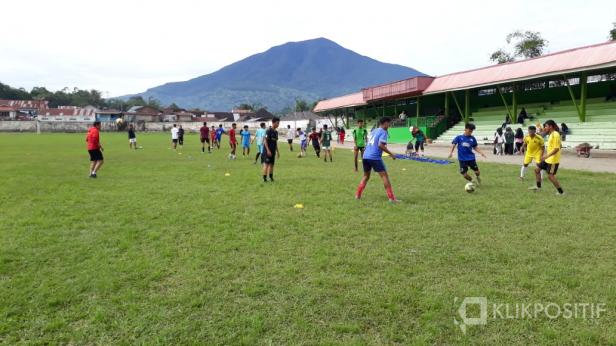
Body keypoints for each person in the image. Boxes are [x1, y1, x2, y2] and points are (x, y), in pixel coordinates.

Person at [354, 116, 398, 202]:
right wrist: (391, 154)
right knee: (384, 176)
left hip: (365, 156)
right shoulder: (384, 132)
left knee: (366, 176)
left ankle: (357, 195)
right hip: (374, 157)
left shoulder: (374, 130)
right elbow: (380, 145)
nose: (389, 125)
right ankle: (391, 198)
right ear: (385, 123)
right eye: (389, 123)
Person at [530, 120, 564, 195]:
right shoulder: (551, 134)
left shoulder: (555, 134)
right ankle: (538, 187)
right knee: (537, 170)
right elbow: (559, 145)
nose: (545, 128)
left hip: (553, 160)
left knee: (550, 176)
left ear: (551, 126)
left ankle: (561, 192)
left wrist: (546, 156)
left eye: (546, 126)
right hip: (548, 159)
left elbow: (556, 148)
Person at [262, 117, 280, 182]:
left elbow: (275, 143)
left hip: (273, 151)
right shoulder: (268, 131)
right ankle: (264, 178)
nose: (278, 124)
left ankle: (271, 177)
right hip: (267, 151)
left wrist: (278, 152)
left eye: (278, 123)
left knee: (272, 164)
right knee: (266, 164)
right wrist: (268, 150)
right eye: (277, 123)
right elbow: (265, 141)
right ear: (273, 123)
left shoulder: (276, 132)